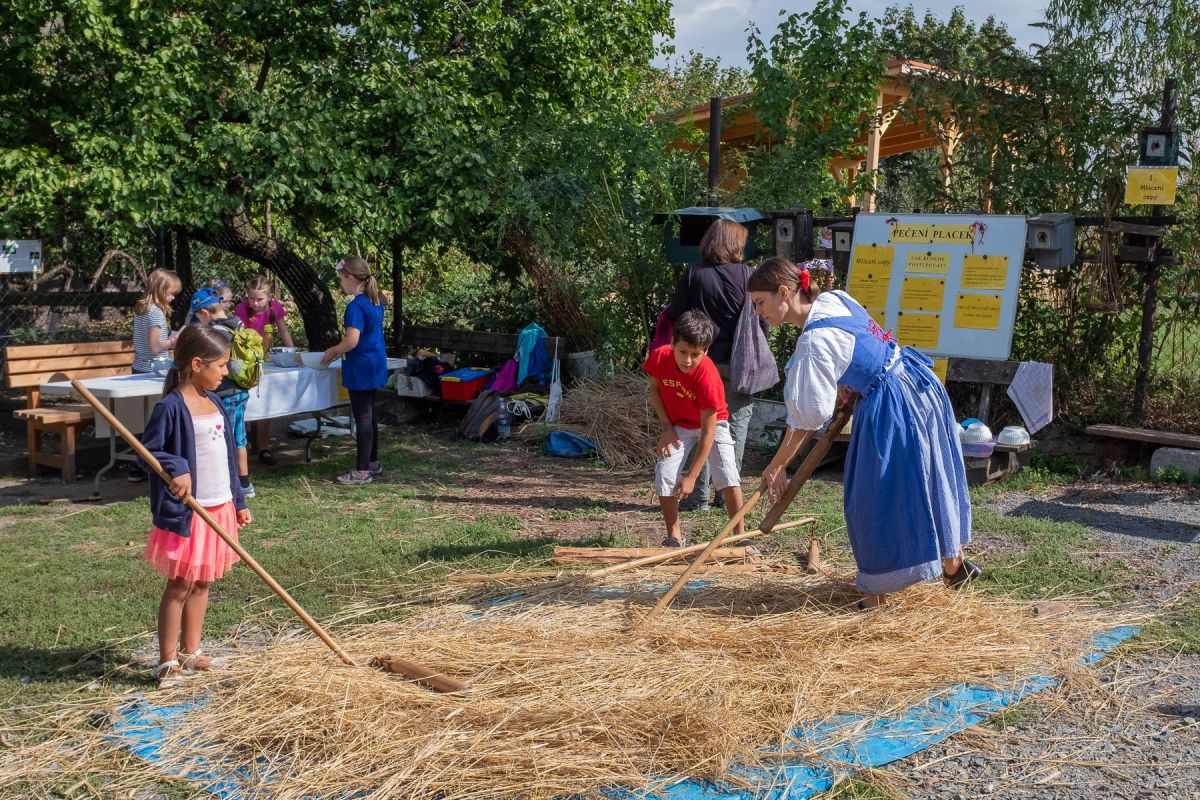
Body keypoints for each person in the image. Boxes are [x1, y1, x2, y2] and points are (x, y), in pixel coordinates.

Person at [747, 257, 979, 609]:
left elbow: (807, 419)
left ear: (783, 293)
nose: (758, 312)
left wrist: (777, 465)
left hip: (894, 403)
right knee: (930, 477)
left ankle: (877, 596)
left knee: (871, 498)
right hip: (917, 384)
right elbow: (858, 350)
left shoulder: (814, 341)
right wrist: (845, 383)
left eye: (760, 303)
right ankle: (953, 565)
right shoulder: (833, 299)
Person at [138, 324, 250, 688]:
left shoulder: (214, 400)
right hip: (190, 513)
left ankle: (190, 650)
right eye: (221, 366)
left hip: (218, 507)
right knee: (180, 585)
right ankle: (167, 660)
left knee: (202, 583)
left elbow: (228, 458)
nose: (225, 372)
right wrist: (177, 468)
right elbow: (149, 453)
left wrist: (238, 499)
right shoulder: (171, 407)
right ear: (197, 363)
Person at [667, 219, 758, 511]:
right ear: (734, 246)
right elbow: (761, 323)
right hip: (739, 364)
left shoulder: (693, 274)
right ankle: (727, 494)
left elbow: (677, 317)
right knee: (735, 427)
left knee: (701, 426)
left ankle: (699, 497)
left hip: (701, 363)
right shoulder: (748, 275)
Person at [642, 310, 745, 547]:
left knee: (727, 474)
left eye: (695, 355)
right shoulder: (660, 358)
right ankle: (674, 536)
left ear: (706, 351)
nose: (688, 360)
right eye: (683, 352)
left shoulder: (708, 377)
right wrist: (666, 428)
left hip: (712, 424)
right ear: (672, 343)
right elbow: (655, 390)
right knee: (665, 474)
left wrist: (691, 476)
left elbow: (708, 433)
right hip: (679, 425)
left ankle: (741, 538)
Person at [322, 256, 388, 485]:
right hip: (375, 363)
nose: (340, 284)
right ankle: (372, 462)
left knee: (362, 418)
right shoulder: (376, 300)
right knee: (369, 416)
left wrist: (333, 351)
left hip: (360, 366)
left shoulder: (356, 306)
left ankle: (362, 471)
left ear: (351, 278)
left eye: (341, 279)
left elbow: (352, 340)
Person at [189, 287, 255, 498]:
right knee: (239, 437)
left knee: (226, 439)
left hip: (226, 392)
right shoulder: (237, 324)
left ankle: (238, 484)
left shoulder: (215, 333)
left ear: (205, 313)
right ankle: (243, 482)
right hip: (240, 390)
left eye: (198, 317)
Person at [129, 269, 183, 482]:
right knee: (155, 419)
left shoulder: (141, 308)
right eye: (171, 294)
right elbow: (154, 346)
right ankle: (147, 463)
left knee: (141, 418)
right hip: (153, 369)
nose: (172, 298)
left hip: (139, 366)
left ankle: (139, 462)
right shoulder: (156, 313)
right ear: (161, 290)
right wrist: (174, 340)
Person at [234, 276, 292, 465]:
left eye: (260, 299)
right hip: (246, 362)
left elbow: (283, 331)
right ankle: (241, 444)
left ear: (269, 297)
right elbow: (238, 337)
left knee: (264, 401)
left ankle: (263, 446)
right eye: (252, 298)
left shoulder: (275, 308)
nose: (255, 303)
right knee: (242, 404)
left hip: (266, 360)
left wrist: (292, 352)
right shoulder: (241, 309)